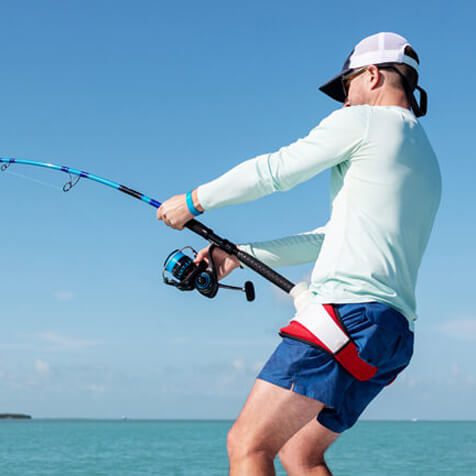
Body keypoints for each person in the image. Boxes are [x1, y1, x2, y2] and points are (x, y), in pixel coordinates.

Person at [157, 32, 441, 476]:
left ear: (371, 75)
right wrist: (238, 254)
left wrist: (193, 201)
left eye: (345, 88)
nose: (343, 102)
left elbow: (274, 172)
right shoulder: (424, 155)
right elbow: (332, 237)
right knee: (299, 455)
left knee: (248, 446)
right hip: (391, 333)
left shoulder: (364, 121)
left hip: (346, 314)